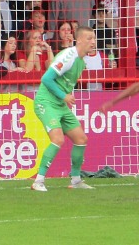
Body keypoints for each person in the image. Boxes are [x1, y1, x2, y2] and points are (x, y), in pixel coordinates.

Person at [31, 26, 97, 192]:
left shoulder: (81, 61)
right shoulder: (69, 56)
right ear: (79, 40)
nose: (93, 42)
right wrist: (64, 96)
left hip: (60, 104)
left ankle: (75, 180)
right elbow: (46, 78)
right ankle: (38, 181)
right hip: (46, 102)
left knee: (81, 139)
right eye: (89, 38)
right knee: (58, 139)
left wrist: (63, 97)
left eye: (94, 38)